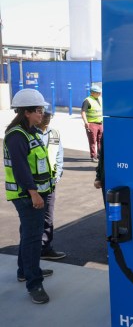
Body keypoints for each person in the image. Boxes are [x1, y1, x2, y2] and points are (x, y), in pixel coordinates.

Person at [4, 89, 55, 304]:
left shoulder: (31, 131)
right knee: (33, 239)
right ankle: (34, 284)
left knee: (28, 234)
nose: (42, 113)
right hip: (27, 195)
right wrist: (34, 194)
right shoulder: (17, 135)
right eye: (38, 110)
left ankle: (24, 271)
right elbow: (21, 169)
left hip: (37, 192)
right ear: (26, 112)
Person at [37, 111, 67, 260]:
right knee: (33, 222)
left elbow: (59, 155)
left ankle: (46, 248)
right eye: (45, 116)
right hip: (34, 186)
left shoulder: (54, 133)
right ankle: (31, 256)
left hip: (50, 184)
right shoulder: (30, 134)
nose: (47, 119)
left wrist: (57, 175)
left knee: (48, 218)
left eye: (49, 117)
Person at [81, 84, 103, 162]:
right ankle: (93, 156)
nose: (99, 94)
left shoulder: (100, 99)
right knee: (92, 141)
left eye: (100, 92)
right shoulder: (87, 100)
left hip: (100, 123)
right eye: (97, 92)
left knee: (100, 140)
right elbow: (83, 112)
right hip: (92, 124)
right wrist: (86, 122)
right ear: (92, 93)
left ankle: (100, 155)